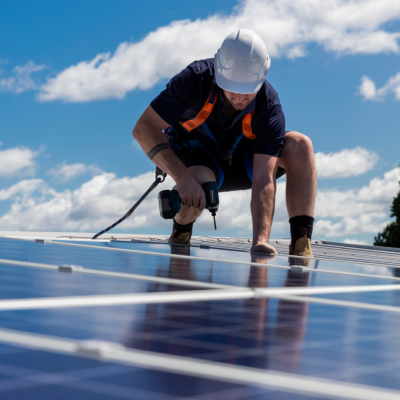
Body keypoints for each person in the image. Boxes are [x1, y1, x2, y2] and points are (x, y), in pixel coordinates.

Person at [132, 29, 317, 257]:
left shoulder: (269, 105)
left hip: (245, 163)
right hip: (199, 158)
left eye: (247, 91)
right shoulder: (194, 80)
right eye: (232, 88)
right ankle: (181, 233)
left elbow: (263, 179)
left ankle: (301, 243)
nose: (239, 98)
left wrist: (260, 241)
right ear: (219, 72)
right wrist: (183, 178)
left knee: (301, 145)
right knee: (199, 180)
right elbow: (143, 128)